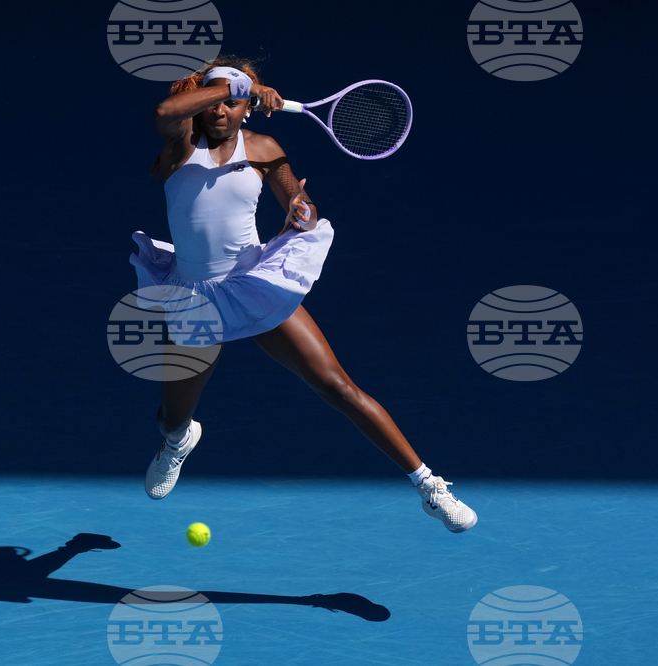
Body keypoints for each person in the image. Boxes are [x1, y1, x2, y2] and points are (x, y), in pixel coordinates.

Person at [130, 56, 477, 533]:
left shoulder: (264, 148)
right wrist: (237, 85)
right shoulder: (181, 143)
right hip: (194, 297)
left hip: (251, 284)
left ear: (245, 110)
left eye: (231, 102)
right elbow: (163, 114)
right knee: (173, 418)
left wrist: (300, 211)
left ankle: (429, 486)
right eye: (213, 96)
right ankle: (178, 442)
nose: (219, 109)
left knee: (337, 386)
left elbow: (303, 205)